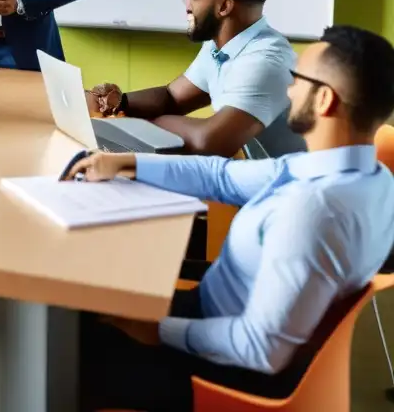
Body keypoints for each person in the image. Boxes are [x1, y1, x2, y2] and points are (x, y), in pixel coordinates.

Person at [66, 24, 394, 412]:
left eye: (297, 79)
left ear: (324, 99)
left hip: (218, 369)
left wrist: (158, 330)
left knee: (62, 345)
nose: (288, 92)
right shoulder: (368, 176)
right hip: (218, 318)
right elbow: (221, 176)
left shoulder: (312, 210)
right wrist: (127, 162)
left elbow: (260, 349)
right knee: (83, 308)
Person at [88, 0, 303, 158]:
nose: (186, 4)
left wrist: (148, 124)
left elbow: (209, 141)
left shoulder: (263, 61)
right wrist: (110, 103)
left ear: (224, 8)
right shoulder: (220, 45)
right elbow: (172, 98)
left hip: (287, 185)